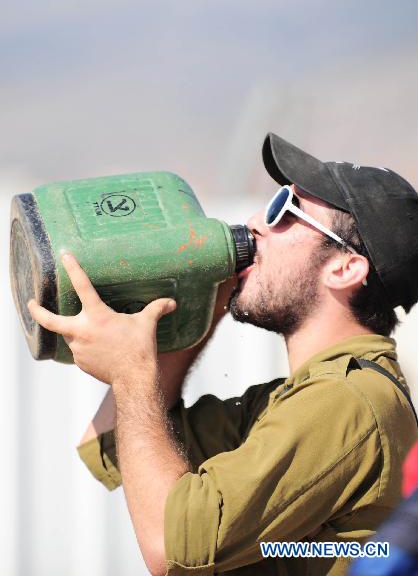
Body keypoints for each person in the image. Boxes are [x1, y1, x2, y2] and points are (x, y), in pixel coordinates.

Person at [27, 133, 418, 575]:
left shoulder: (348, 400)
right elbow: (115, 448)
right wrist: (194, 313)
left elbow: (171, 545)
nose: (255, 222)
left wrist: (133, 373)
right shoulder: (295, 399)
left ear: (345, 267)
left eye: (282, 213)